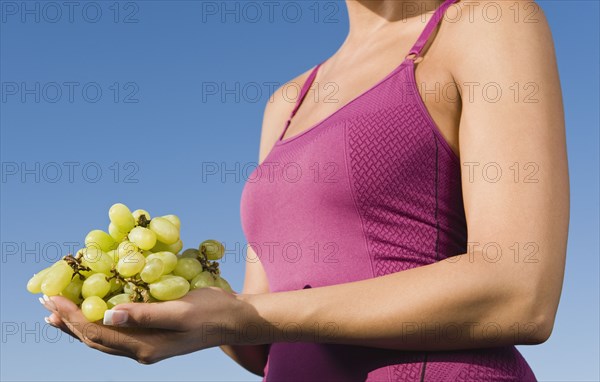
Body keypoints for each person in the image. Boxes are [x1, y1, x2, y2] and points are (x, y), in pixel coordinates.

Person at [42, 0, 568, 380]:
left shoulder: (487, 23)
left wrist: (239, 317)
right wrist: (186, 314)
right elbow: (262, 344)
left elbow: (519, 291)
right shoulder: (286, 101)